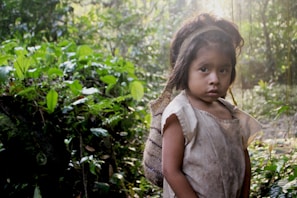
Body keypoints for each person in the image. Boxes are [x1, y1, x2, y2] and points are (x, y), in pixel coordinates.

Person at [161, 13, 262, 198]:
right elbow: (170, 170)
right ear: (185, 69)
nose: (214, 79)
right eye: (204, 69)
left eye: (223, 70)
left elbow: (244, 164)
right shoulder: (181, 114)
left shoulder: (232, 115)